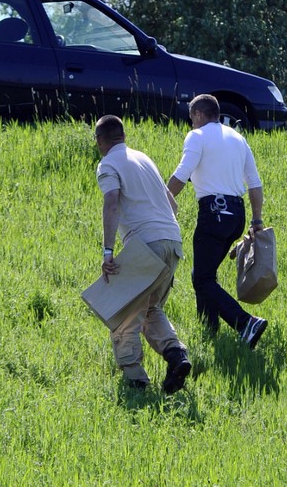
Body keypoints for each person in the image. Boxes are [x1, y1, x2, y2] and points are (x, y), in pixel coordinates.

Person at [94, 115, 192, 393]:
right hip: (172, 242)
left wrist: (108, 251)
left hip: (146, 244)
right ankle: (176, 356)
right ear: (123, 136)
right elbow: (173, 206)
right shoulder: (144, 159)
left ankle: (136, 381)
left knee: (124, 310)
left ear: (100, 140)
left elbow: (111, 203)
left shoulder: (108, 164)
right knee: (149, 308)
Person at [167, 94, 268, 349]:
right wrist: (257, 221)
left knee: (202, 279)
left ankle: (245, 323)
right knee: (203, 274)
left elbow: (182, 174)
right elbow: (255, 184)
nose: (191, 125)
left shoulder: (197, 136)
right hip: (237, 213)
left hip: (214, 211)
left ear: (199, 115)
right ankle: (208, 331)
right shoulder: (237, 138)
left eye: (191, 119)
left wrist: (161, 202)